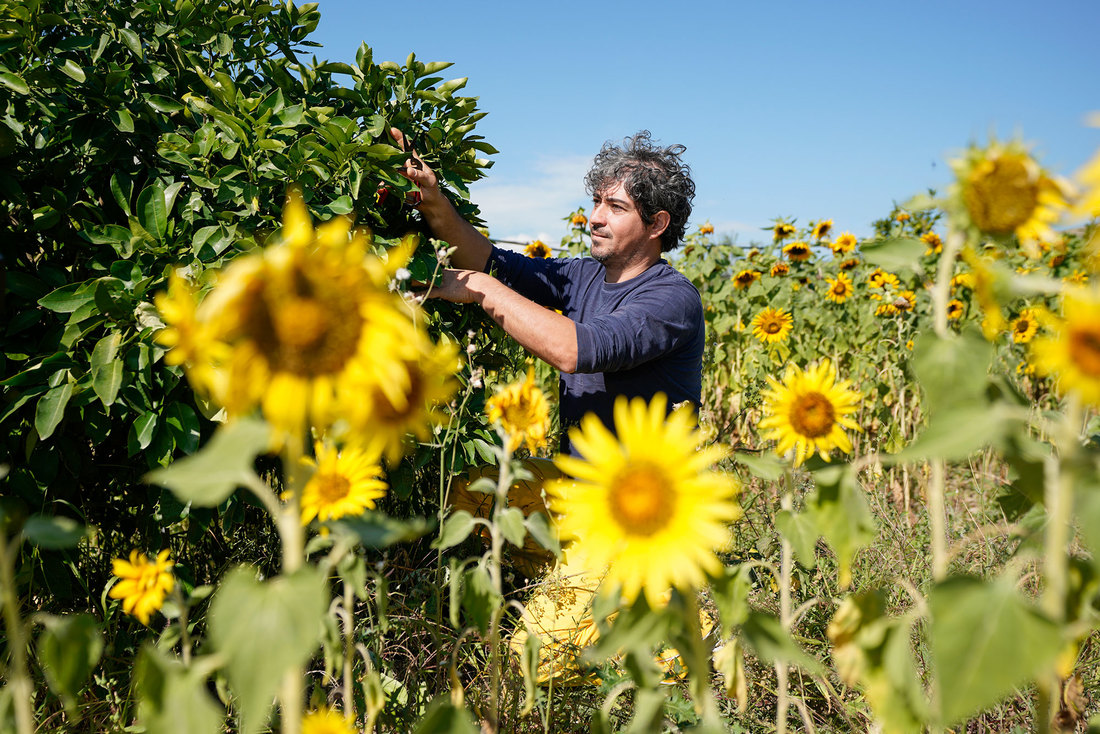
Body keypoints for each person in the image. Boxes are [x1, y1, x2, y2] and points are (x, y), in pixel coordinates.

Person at [393, 129, 704, 454]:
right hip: (578, 487)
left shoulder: (673, 298)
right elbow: (494, 264)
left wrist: (481, 288)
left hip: (645, 496)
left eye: (615, 207)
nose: (595, 218)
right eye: (597, 201)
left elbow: (576, 350)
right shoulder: (583, 275)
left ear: (657, 224)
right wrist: (433, 203)